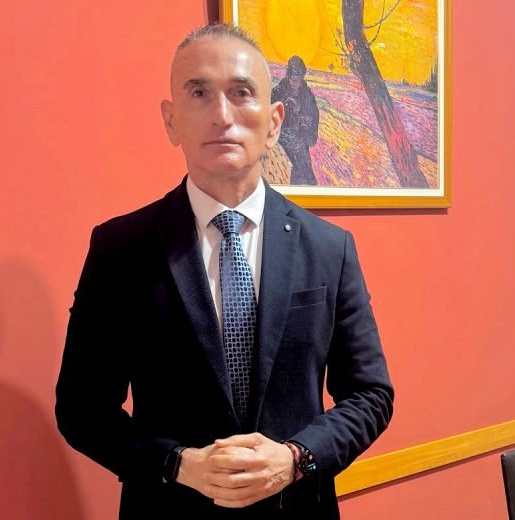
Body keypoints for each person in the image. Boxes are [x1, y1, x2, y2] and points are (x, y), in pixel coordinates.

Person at [55, 23, 393, 519]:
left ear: (274, 122)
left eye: (241, 93)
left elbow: (370, 395)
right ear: (171, 121)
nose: (221, 115)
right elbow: (81, 408)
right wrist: (176, 463)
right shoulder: (120, 249)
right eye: (199, 93)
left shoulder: (329, 248)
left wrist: (296, 458)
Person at [271, 55, 320, 185]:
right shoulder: (278, 92)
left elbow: (313, 117)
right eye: (294, 78)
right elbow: (270, 116)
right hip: (283, 138)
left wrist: (299, 111)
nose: (296, 83)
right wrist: (284, 105)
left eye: (299, 79)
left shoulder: (307, 95)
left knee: (306, 173)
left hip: (300, 139)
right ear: (288, 76)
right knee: (297, 169)